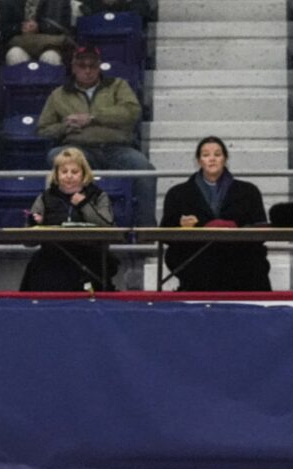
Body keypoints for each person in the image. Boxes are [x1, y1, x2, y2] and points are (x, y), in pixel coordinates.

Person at [37, 45, 156, 226]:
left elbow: (131, 112)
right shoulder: (59, 94)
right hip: (79, 150)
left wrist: (93, 118)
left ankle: (146, 230)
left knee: (145, 170)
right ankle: (61, 222)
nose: (87, 70)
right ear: (73, 67)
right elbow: (43, 129)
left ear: (99, 66)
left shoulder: (117, 85)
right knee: (56, 157)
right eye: (82, 65)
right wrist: (65, 127)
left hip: (117, 148)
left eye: (92, 65)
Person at [160, 136, 270, 291]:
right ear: (199, 161)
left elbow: (261, 228)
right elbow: (165, 231)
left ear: (225, 159)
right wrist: (181, 225)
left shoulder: (248, 191)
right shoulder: (178, 193)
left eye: (217, 155)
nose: (212, 159)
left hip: (238, 253)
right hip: (196, 254)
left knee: (253, 259)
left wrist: (236, 229)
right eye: (206, 155)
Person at [21, 146, 116, 291]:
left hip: (88, 255)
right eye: (64, 172)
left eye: (75, 172)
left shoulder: (98, 196)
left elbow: (108, 227)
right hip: (53, 256)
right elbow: (28, 242)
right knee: (38, 264)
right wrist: (34, 223)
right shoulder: (45, 198)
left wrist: (84, 204)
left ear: (84, 174)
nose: (69, 176)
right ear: (57, 174)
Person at [4, 1, 79, 66]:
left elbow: (59, 27)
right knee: (14, 55)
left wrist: (39, 27)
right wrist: (20, 27)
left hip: (49, 44)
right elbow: (4, 28)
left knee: (51, 57)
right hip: (20, 43)